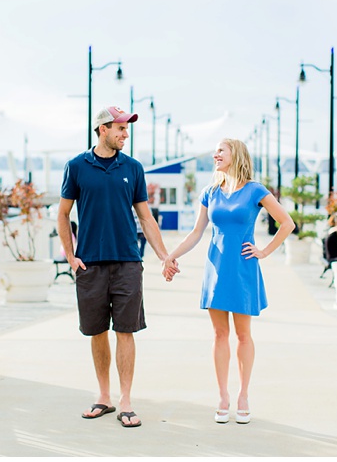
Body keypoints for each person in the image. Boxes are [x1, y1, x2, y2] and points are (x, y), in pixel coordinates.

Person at [58, 105, 178, 429]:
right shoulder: (76, 167)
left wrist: (164, 255)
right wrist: (71, 256)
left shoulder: (134, 168)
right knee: (97, 332)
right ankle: (104, 396)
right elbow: (63, 214)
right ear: (102, 129)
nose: (125, 135)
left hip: (127, 261)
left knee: (126, 331)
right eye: (120, 129)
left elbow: (146, 217)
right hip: (91, 265)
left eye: (127, 129)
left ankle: (125, 400)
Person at [161, 139, 294, 425]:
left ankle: (243, 395)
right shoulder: (210, 192)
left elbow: (287, 223)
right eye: (215, 151)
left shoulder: (255, 190)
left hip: (243, 267)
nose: (215, 155)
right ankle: (223, 396)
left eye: (221, 150)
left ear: (236, 154)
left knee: (243, 334)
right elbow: (197, 232)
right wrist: (171, 256)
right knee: (220, 335)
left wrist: (264, 251)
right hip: (216, 269)